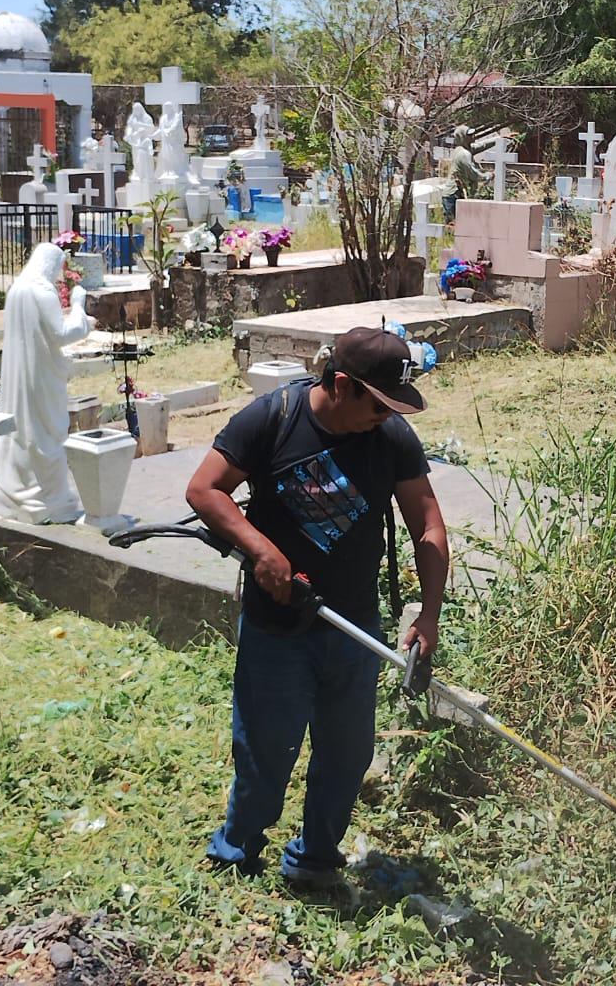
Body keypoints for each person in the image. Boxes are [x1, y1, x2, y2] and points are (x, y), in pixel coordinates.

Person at [186, 326, 449, 884]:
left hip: (353, 624)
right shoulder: (272, 419)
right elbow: (204, 489)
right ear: (342, 384)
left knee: (347, 753)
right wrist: (261, 550)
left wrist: (429, 613)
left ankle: (315, 858)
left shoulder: (391, 437)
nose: (387, 415)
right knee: (266, 745)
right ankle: (238, 850)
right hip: (277, 626)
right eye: (378, 403)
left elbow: (426, 522)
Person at [0, 243, 95, 524]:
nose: (60, 276)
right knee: (46, 432)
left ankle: (15, 493)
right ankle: (48, 497)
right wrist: (78, 307)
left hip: (19, 377)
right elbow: (62, 334)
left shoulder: (17, 289)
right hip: (41, 377)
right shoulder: (42, 290)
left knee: (22, 431)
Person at [441, 125, 490, 224]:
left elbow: (483, 145)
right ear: (462, 137)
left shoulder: (464, 149)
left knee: (460, 225)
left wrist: (501, 138)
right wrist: (487, 176)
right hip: (453, 194)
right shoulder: (463, 154)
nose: (473, 136)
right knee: (453, 225)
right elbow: (474, 174)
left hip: (457, 192)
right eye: (469, 135)